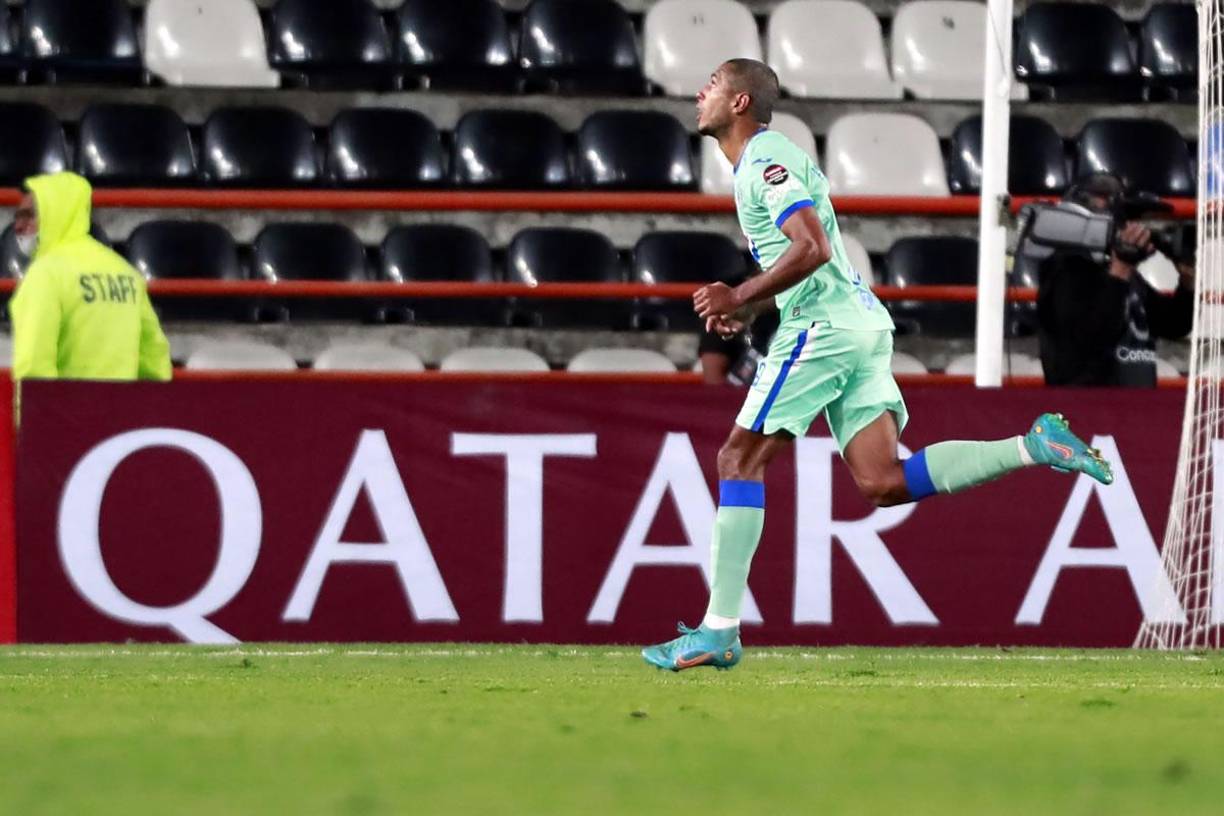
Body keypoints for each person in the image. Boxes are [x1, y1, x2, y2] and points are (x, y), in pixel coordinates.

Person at [641, 59, 1114, 673]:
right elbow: (810, 253)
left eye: (713, 83)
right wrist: (752, 306)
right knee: (884, 480)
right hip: (860, 323)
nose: (700, 91)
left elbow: (811, 247)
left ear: (739, 103)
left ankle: (719, 629)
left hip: (825, 328)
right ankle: (1033, 446)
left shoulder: (764, 160)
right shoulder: (758, 164)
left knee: (738, 459)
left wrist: (737, 294)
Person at [9, 171, 171, 415]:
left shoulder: (46, 275)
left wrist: (32, 429)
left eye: (29, 215)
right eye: (17, 217)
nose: (18, 226)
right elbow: (154, 360)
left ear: (57, 211)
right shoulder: (125, 273)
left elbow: (34, 367)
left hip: (67, 425)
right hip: (120, 423)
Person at [1033, 173, 1194, 387]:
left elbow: (1174, 324)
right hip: (1088, 407)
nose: (1128, 227)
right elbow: (1090, 339)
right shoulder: (1066, 269)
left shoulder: (1126, 275)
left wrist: (1187, 282)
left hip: (1135, 404)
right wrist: (1121, 268)